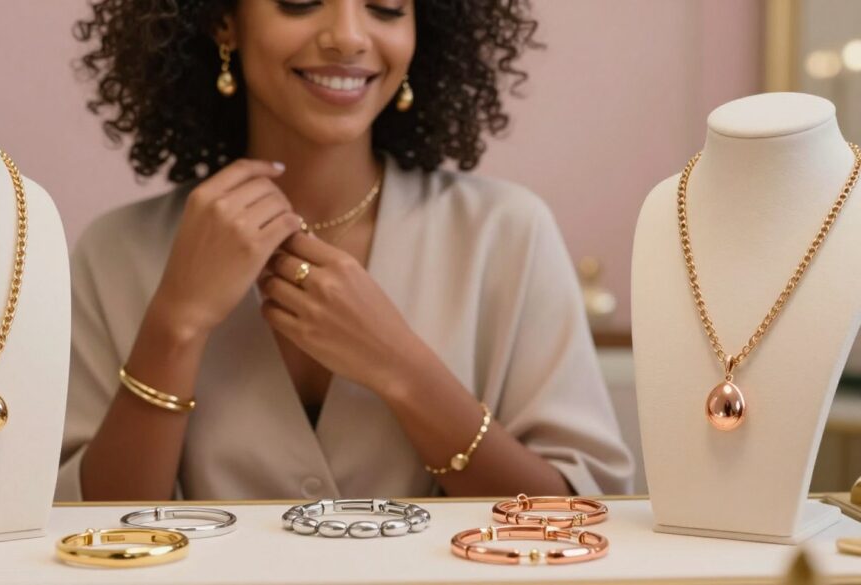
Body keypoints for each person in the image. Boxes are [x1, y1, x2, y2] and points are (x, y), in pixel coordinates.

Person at [56, 0, 633, 501]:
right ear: (224, 22)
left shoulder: (508, 235)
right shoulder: (114, 254)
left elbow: (581, 516)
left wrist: (402, 369)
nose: (350, 37)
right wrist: (176, 324)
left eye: (385, 8)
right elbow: (82, 534)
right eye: (302, 1)